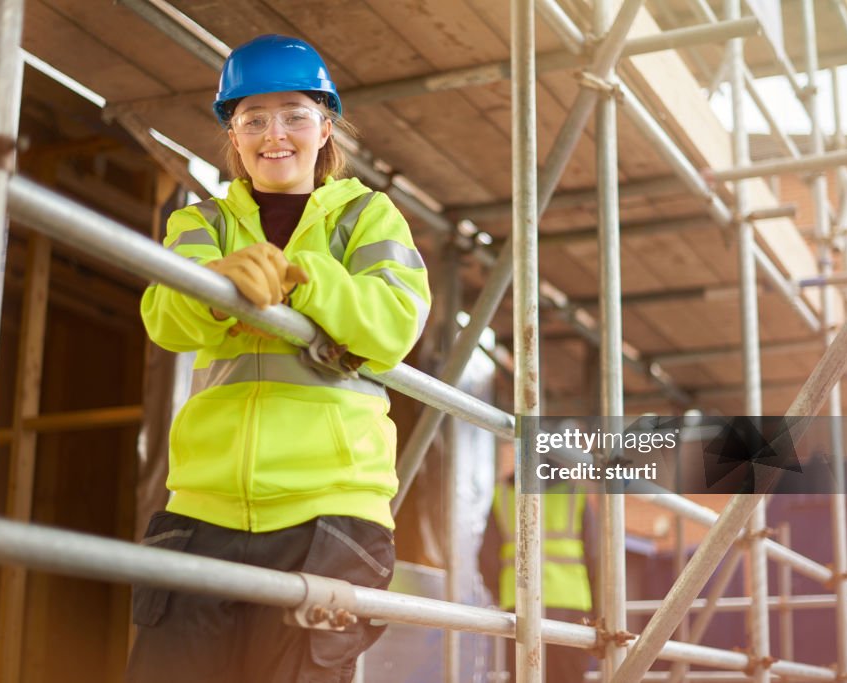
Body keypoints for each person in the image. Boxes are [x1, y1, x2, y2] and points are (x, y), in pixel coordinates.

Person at [128, 34, 431, 683]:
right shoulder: (201, 221)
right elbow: (162, 317)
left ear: (325, 126)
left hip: (328, 512)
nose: (275, 134)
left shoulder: (369, 217)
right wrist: (216, 290)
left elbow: (395, 323)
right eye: (253, 118)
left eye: (294, 114)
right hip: (203, 509)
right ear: (232, 137)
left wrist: (306, 278)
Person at [479, 478, 597, 681]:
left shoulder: (503, 495)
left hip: (519, 606)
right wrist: (597, 610)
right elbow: (596, 559)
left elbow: (487, 560)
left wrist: (504, 594)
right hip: (570, 605)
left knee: (524, 675)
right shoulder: (575, 495)